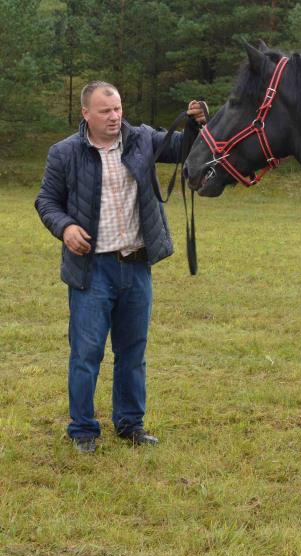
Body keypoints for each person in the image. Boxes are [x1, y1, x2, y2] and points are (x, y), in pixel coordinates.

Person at [35, 81, 207, 453]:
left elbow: (183, 149)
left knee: (132, 352)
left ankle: (130, 424)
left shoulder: (142, 139)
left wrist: (195, 124)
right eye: (105, 111)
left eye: (117, 110)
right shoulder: (64, 153)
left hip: (136, 266)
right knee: (86, 354)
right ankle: (82, 430)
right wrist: (65, 228)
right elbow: (46, 201)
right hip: (91, 270)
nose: (114, 117)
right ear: (86, 114)